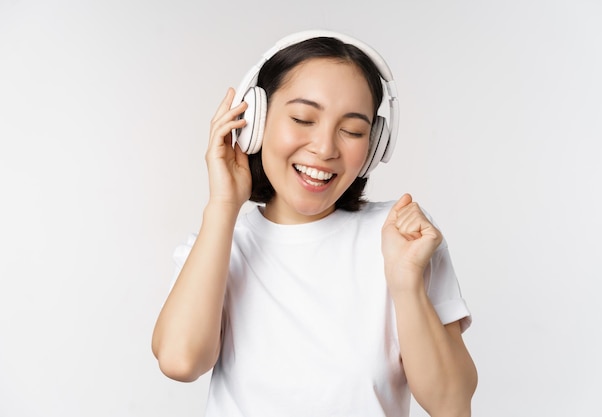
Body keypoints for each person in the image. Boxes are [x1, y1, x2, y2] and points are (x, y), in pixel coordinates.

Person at [152, 30, 477, 417]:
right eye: (303, 118)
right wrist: (223, 205)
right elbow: (180, 361)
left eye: (352, 130)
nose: (325, 148)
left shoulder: (404, 239)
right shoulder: (218, 246)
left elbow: (452, 405)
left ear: (374, 146)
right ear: (254, 122)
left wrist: (406, 282)